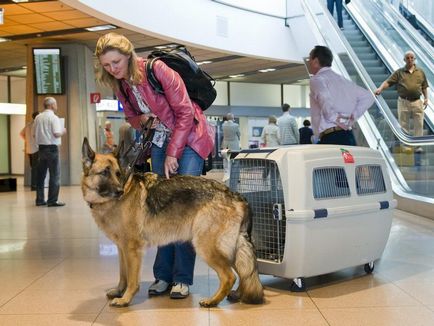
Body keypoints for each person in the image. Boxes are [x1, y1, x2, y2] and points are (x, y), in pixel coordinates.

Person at [95, 32, 214, 299]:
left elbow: (184, 112)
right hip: (160, 140)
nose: (113, 69)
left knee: (184, 208)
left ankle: (182, 278)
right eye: (106, 65)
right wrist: (143, 118)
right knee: (160, 208)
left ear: (128, 54)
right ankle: (162, 275)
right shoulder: (121, 84)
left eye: (116, 62)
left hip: (191, 139)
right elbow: (131, 117)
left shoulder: (157, 70)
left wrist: (174, 152)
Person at [308, 45, 374, 145]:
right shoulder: (343, 81)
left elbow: (324, 98)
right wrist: (352, 117)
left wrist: (335, 118)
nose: (308, 62)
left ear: (316, 61)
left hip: (331, 137)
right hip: (348, 135)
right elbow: (368, 96)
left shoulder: (317, 79)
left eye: (310, 59)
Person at [375, 50, 429, 153]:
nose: (410, 60)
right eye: (407, 58)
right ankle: (406, 145)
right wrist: (380, 89)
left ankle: (418, 146)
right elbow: (388, 82)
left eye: (411, 58)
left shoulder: (421, 72)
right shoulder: (399, 72)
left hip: (417, 101)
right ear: (404, 60)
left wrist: (426, 98)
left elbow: (424, 86)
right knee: (404, 123)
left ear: (414, 59)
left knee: (419, 123)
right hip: (403, 101)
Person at [34, 97, 67, 207]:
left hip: (41, 149)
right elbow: (57, 133)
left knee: (40, 176)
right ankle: (52, 201)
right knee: (54, 176)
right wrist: (63, 131)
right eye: (56, 104)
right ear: (52, 105)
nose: (56, 106)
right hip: (52, 149)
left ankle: (40, 200)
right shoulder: (54, 118)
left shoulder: (38, 117)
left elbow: (34, 134)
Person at [20, 112, 39, 190]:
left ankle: (34, 185)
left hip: (29, 149)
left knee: (33, 168)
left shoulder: (28, 124)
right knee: (36, 168)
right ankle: (34, 186)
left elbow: (21, 134)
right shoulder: (37, 125)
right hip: (36, 149)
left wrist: (27, 140)